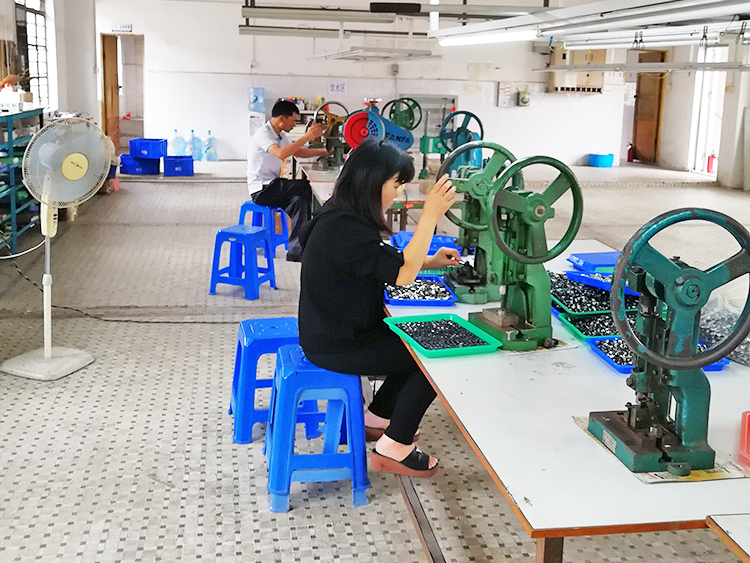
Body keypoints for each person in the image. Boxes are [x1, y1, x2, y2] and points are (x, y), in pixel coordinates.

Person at [298, 139, 460, 478]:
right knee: (431, 355)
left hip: (333, 331)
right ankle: (394, 447)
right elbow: (402, 276)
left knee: (412, 339)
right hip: (336, 345)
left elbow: (378, 261)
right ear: (371, 181)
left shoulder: (342, 215)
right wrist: (430, 216)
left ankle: (378, 417)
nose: (399, 193)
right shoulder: (345, 229)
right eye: (396, 184)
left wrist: (428, 261)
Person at [248, 100, 328, 262]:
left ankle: (296, 251)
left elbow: (297, 151)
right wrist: (307, 136)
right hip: (262, 189)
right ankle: (320, 226)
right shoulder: (264, 133)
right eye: (293, 120)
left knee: (299, 201)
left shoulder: (280, 135)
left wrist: (324, 151)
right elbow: (281, 153)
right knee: (305, 187)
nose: (294, 124)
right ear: (281, 118)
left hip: (273, 186)